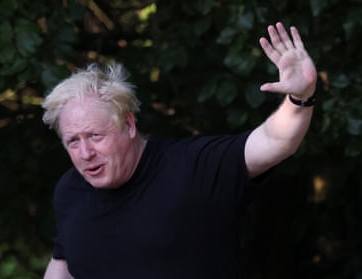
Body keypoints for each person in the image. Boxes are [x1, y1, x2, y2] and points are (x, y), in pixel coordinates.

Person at [41, 22, 317, 279]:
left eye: (95, 136)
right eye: (73, 141)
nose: (85, 152)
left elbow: (275, 142)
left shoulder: (191, 167)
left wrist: (300, 98)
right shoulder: (70, 191)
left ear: (128, 124)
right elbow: (63, 261)